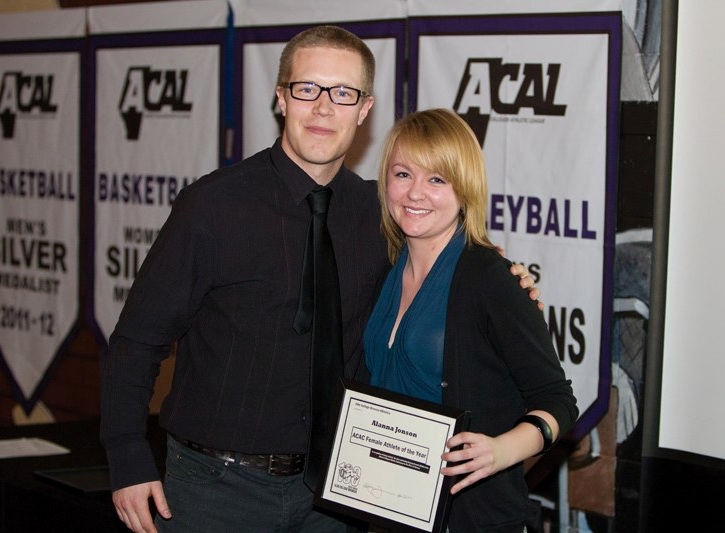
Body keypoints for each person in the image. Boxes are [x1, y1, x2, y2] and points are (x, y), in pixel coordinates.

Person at [100, 26, 539, 533]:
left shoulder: (383, 215)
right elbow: (136, 341)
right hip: (214, 490)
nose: (324, 108)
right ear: (281, 98)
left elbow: (446, 261)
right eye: (307, 89)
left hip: (340, 492)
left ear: (364, 109)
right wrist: (128, 455)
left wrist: (509, 279)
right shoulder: (212, 207)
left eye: (342, 93)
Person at [362, 108, 578, 532]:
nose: (415, 193)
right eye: (403, 174)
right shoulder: (383, 266)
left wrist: (501, 451)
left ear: (465, 189)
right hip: (390, 506)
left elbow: (558, 401)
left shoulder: (490, 278)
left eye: (437, 179)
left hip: (472, 518)